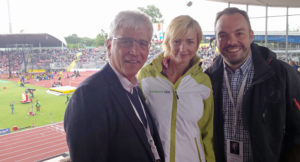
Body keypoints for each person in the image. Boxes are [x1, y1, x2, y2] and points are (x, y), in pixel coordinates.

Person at [64, 10, 165, 162]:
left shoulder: (135, 89)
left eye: (142, 43)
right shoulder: (88, 96)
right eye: (126, 41)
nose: (134, 51)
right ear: (109, 45)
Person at [205, 7, 300, 162]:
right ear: (215, 40)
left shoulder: (282, 75)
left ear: (251, 36)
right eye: (223, 35)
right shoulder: (208, 79)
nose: (231, 41)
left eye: (239, 33)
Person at [138, 15, 215, 162]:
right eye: (176, 41)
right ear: (167, 42)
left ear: (198, 43)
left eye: (190, 42)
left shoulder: (203, 82)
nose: (183, 48)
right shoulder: (146, 76)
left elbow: (207, 133)